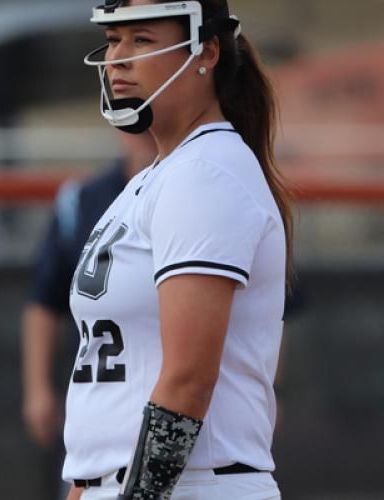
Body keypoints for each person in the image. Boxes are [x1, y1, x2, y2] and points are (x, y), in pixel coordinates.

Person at [64, 0, 293, 499]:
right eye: (112, 39)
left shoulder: (206, 173)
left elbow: (189, 378)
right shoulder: (156, 178)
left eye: (141, 39)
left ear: (206, 49)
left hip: (193, 486)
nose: (118, 58)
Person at [21, 130, 157, 499]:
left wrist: (272, 387)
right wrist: (37, 388)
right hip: (100, 404)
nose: (143, 132)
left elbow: (276, 309)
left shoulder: (204, 193)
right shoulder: (83, 199)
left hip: (176, 409)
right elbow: (44, 300)